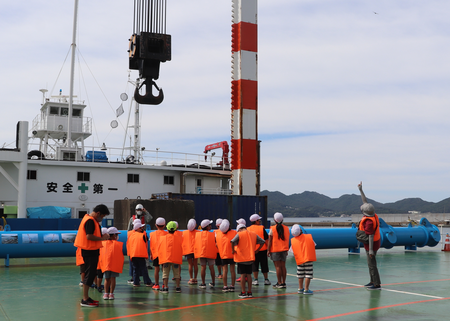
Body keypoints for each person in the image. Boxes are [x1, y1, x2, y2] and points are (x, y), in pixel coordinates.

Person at [74, 204, 110, 307]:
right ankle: (85, 299)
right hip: (89, 251)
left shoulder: (91, 220)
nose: (102, 218)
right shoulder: (90, 221)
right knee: (89, 274)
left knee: (91, 273)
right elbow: (89, 236)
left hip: (91, 250)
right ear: (98, 213)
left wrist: (101, 237)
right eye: (102, 216)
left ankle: (87, 298)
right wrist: (103, 239)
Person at [358, 182, 382, 290]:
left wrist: (371, 250)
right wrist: (361, 190)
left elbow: (371, 236)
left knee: (372, 264)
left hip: (371, 245)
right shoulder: (373, 215)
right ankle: (372, 281)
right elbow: (365, 201)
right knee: (370, 264)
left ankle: (376, 284)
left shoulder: (369, 222)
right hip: (375, 242)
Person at [231, 224, 265, 298]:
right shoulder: (253, 234)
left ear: (239, 229)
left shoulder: (239, 234)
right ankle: (249, 292)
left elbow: (232, 241)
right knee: (249, 275)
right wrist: (257, 250)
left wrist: (233, 250)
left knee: (242, 275)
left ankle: (243, 292)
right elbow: (263, 241)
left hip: (241, 258)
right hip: (250, 257)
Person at [290, 224, 316, 295]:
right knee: (308, 274)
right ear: (300, 230)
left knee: (300, 274)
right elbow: (314, 244)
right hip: (308, 258)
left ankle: (300, 288)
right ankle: (306, 289)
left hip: (300, 260)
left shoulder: (293, 241)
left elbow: (292, 250)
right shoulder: (308, 237)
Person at [159, 221, 183, 293]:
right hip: (175, 258)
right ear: (175, 229)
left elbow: (160, 248)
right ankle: (178, 287)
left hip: (166, 258)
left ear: (167, 229)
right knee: (177, 273)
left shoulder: (162, 238)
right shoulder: (179, 238)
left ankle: (165, 287)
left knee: (165, 273)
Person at [101, 227, 124, 300]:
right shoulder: (117, 244)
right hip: (114, 265)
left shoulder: (102, 243)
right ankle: (111, 294)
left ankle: (106, 293)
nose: (117, 236)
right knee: (113, 279)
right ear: (114, 235)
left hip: (106, 264)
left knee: (106, 279)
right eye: (116, 234)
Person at [128, 219, 153, 287]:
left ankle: (136, 282)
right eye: (141, 227)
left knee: (135, 269)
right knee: (144, 269)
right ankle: (147, 282)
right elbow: (146, 240)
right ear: (137, 229)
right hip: (140, 254)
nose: (142, 228)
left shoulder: (131, 235)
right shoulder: (142, 235)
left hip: (133, 255)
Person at [127, 204, 153, 270]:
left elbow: (150, 218)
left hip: (142, 235)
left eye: (140, 210)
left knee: (145, 249)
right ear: (135, 210)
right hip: (134, 236)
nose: (139, 211)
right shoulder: (132, 218)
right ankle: (135, 263)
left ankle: (147, 264)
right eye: (138, 210)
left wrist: (146, 211)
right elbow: (129, 228)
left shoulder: (145, 217)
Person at [247, 214, 271, 286]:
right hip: (263, 250)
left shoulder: (248, 229)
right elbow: (266, 239)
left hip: (253, 250)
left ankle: (256, 280)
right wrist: (269, 249)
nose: (260, 221)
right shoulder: (261, 228)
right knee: (264, 265)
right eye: (258, 220)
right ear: (256, 221)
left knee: (254, 265)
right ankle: (266, 279)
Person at [267, 212, 289, 289]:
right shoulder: (286, 228)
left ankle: (279, 283)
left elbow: (270, 240)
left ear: (274, 220)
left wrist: (268, 250)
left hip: (275, 250)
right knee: (283, 266)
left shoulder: (272, 228)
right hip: (284, 249)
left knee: (277, 267)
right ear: (282, 219)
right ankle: (283, 282)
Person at [215, 219, 237, 292]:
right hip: (232, 254)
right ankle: (232, 286)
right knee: (232, 271)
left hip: (223, 255)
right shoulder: (234, 232)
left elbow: (217, 245)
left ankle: (225, 286)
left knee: (224, 271)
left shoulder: (218, 234)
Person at [194, 219, 217, 288]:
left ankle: (203, 283)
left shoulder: (197, 234)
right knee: (211, 267)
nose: (211, 226)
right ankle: (213, 282)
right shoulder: (213, 234)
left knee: (203, 267)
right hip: (210, 253)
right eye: (210, 225)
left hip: (202, 253)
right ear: (207, 227)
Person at [150, 217, 168, 290]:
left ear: (156, 225)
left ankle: (156, 284)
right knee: (164, 270)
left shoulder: (152, 234)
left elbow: (151, 245)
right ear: (164, 225)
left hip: (156, 253)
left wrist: (151, 254)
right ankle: (164, 284)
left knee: (156, 269)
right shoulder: (167, 234)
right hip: (164, 254)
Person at [182, 218, 199, 285]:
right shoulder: (198, 232)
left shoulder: (184, 232)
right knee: (195, 264)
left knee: (190, 264)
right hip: (196, 250)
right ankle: (195, 278)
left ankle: (191, 278)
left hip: (188, 250)